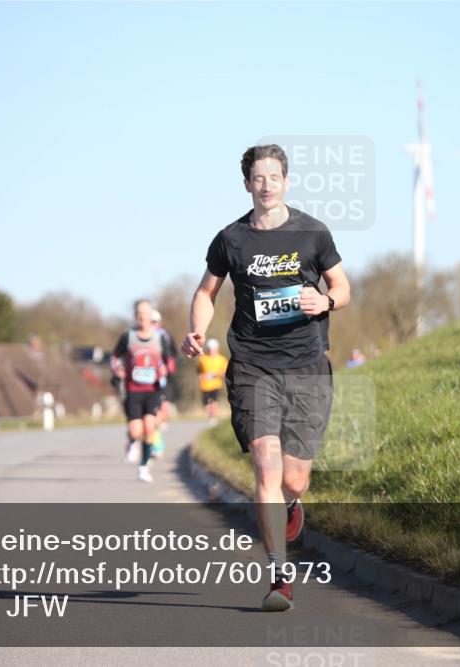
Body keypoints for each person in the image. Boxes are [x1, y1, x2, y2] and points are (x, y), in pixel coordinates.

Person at [181, 144, 351, 612]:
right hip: (253, 365)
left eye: (275, 176)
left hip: (308, 366)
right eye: (259, 177)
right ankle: (280, 576)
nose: (267, 184)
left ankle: (292, 505)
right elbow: (206, 291)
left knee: (294, 481)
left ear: (286, 181)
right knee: (265, 467)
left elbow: (342, 286)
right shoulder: (231, 239)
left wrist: (327, 302)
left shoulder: (313, 233)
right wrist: (197, 328)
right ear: (247, 184)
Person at [111, 299, 173, 482]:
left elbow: (169, 361)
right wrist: (118, 370)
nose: (142, 317)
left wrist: (165, 370)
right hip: (133, 390)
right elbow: (115, 357)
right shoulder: (127, 337)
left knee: (149, 427)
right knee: (136, 431)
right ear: (135, 316)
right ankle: (131, 441)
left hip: (153, 390)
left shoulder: (159, 337)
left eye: (145, 313)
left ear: (151, 315)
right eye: (139, 313)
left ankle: (144, 467)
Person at [149, 309, 178, 459]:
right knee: (152, 412)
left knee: (164, 409)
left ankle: (159, 426)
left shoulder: (164, 335)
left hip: (164, 377)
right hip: (149, 379)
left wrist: (169, 367)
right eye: (150, 322)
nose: (152, 325)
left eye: (154, 322)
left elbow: (173, 353)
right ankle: (156, 439)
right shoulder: (142, 336)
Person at [196, 339, 228, 423]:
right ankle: (210, 414)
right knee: (206, 404)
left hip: (216, 384)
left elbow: (225, 372)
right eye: (210, 349)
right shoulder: (203, 358)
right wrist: (200, 377)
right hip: (205, 385)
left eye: (213, 349)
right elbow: (198, 370)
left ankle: (213, 416)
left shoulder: (222, 359)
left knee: (214, 401)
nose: (211, 351)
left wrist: (216, 374)